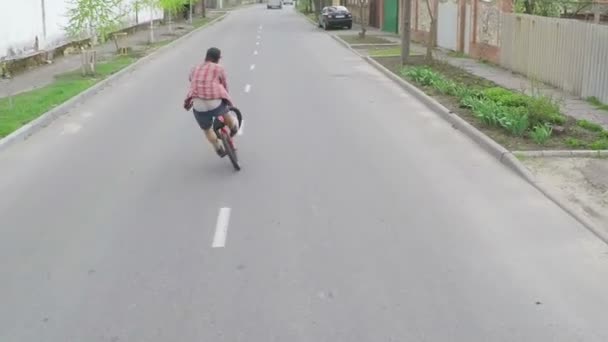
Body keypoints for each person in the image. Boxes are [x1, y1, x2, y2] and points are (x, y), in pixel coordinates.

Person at [184, 47, 238, 157]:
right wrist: (225, 98)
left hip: (198, 104)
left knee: (207, 130)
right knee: (226, 114)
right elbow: (224, 84)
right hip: (214, 102)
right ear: (217, 59)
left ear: (206, 57)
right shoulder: (219, 68)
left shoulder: (194, 68)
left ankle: (218, 149)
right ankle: (233, 128)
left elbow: (191, 79)